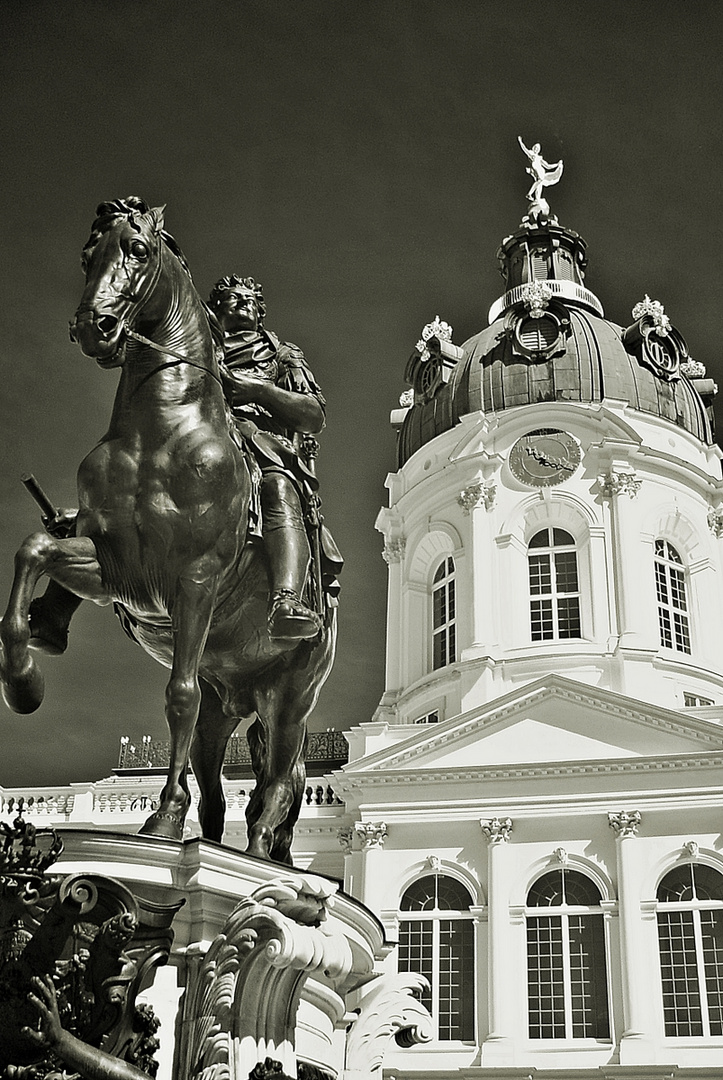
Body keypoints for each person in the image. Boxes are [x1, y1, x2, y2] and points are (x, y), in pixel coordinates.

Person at [207, 275, 325, 642]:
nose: (242, 303)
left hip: (260, 446)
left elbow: (313, 415)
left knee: (277, 488)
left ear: (260, 312)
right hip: (200, 436)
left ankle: (286, 599)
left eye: (250, 300)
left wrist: (261, 390)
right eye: (232, 299)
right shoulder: (192, 344)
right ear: (216, 309)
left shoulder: (282, 355)